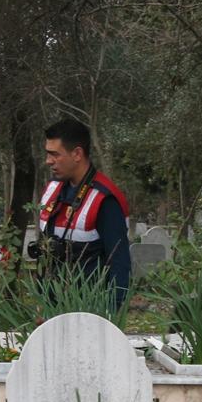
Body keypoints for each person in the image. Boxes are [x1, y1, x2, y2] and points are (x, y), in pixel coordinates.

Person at [35, 118, 131, 308]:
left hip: (90, 312)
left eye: (55, 154)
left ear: (77, 153)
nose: (48, 161)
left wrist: (110, 320)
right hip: (52, 309)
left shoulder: (103, 199)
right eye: (47, 154)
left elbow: (119, 265)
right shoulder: (52, 190)